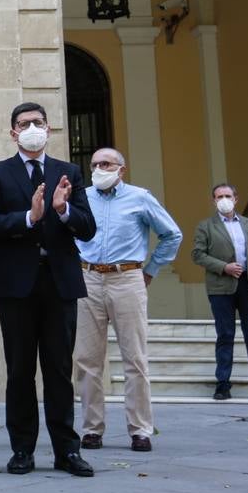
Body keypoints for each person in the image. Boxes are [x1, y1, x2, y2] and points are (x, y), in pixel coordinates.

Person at [0, 102, 97, 478]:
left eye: (38, 123)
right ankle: (22, 450)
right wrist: (30, 217)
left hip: (59, 282)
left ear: (49, 128)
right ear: (13, 132)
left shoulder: (69, 172)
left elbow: (88, 226)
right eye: (24, 123)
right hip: (17, 285)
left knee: (60, 370)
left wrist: (62, 211)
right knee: (20, 370)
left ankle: (67, 450)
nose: (32, 128)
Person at [73, 148, 182, 452]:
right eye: (94, 164)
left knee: (134, 357)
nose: (98, 168)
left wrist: (150, 271)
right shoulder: (82, 197)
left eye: (105, 163)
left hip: (127, 277)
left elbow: (172, 234)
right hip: (88, 278)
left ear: (121, 169)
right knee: (87, 360)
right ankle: (92, 429)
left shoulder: (139, 197)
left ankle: (140, 429)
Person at [192, 183, 248, 402]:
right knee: (225, 336)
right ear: (213, 200)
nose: (223, 199)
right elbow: (198, 254)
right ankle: (223, 384)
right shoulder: (206, 226)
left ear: (236, 198)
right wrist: (224, 267)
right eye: (219, 196)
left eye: (227, 195)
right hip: (221, 287)